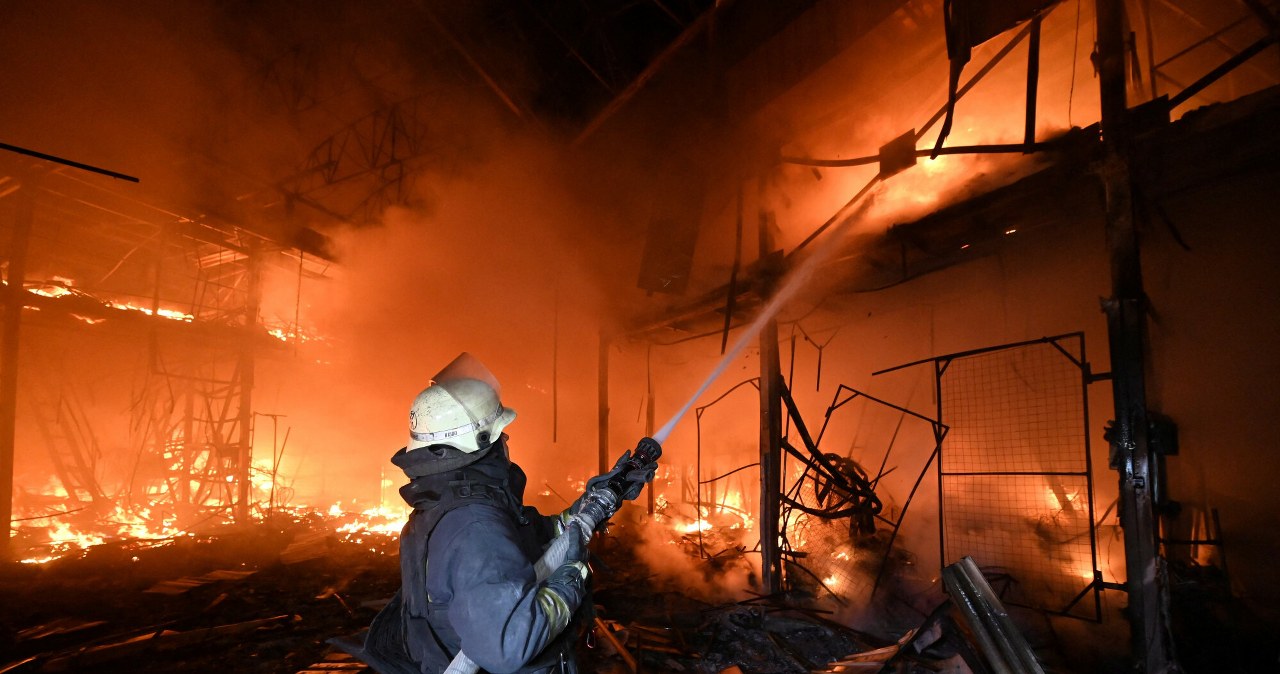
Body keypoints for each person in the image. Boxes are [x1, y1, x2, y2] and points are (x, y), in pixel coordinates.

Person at [340, 352, 658, 674]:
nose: (506, 439)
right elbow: (508, 646)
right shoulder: (475, 526)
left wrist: (595, 504)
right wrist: (572, 572)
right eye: (501, 433)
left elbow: (530, 539)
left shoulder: (452, 501)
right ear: (480, 440)